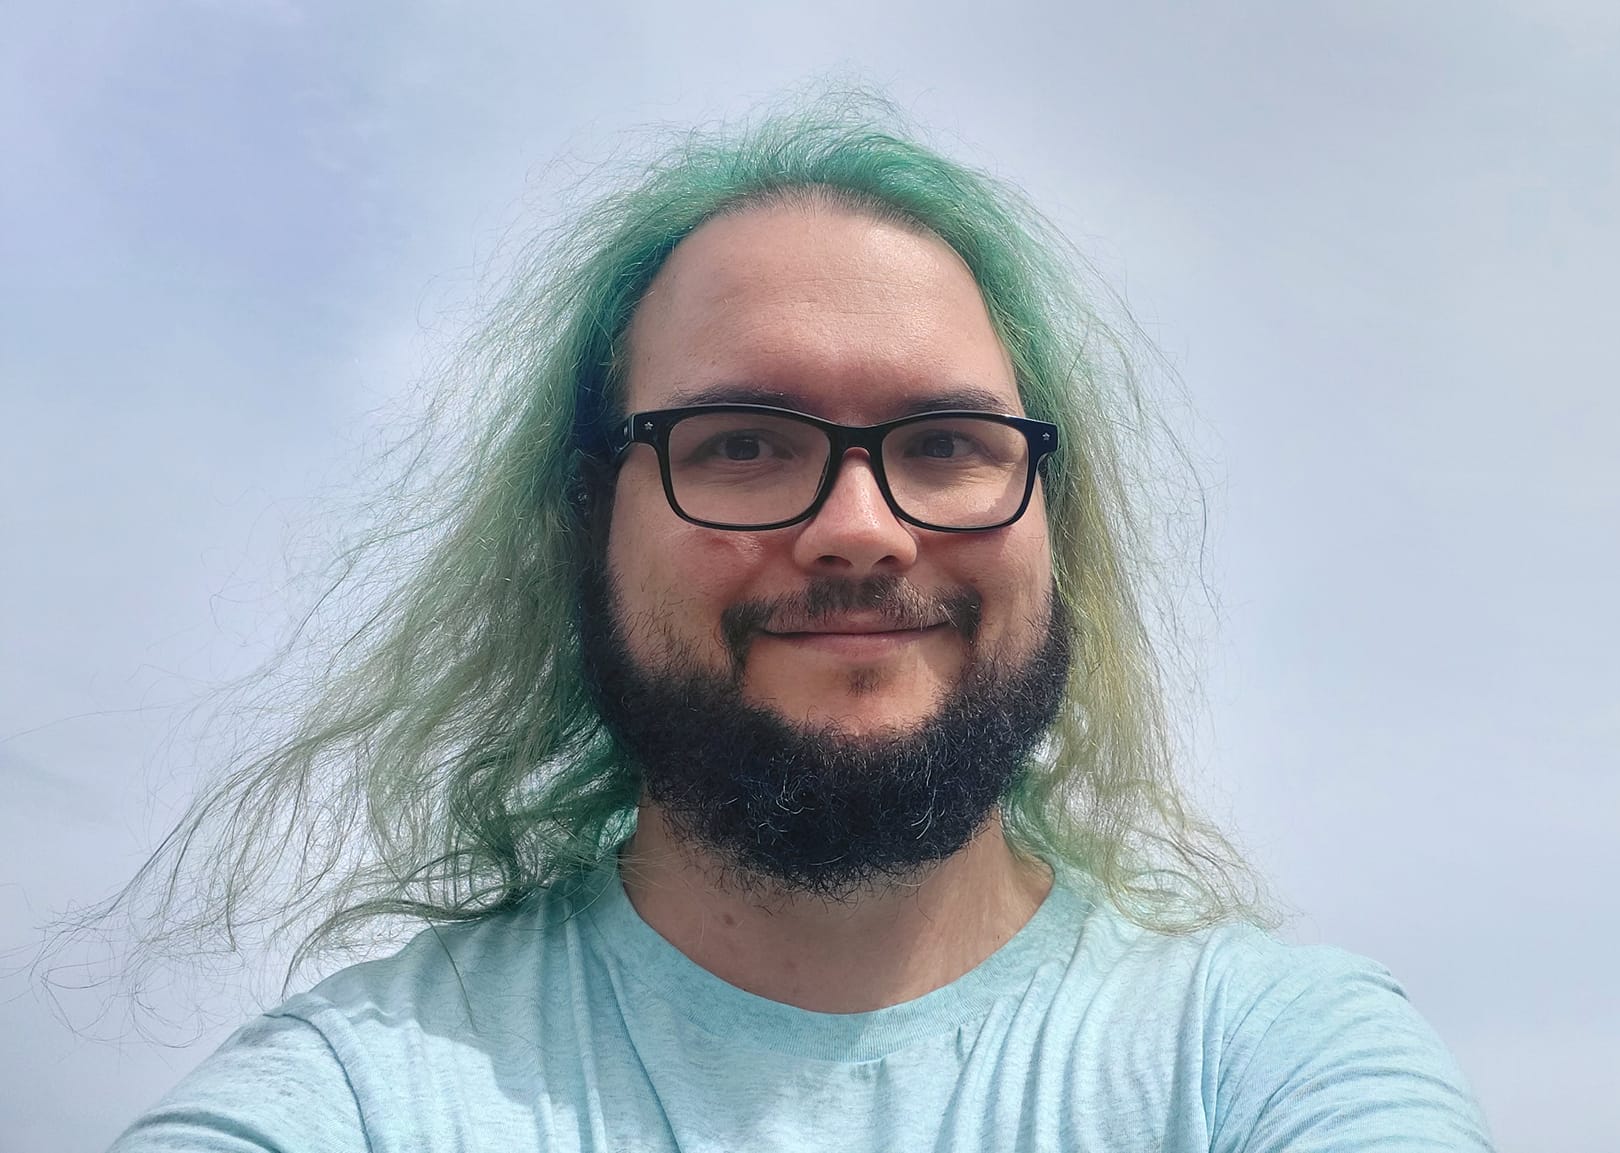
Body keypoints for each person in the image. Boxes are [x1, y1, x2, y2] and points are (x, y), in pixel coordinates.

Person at [107, 97, 1493, 1151]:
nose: (862, 527)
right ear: (591, 523)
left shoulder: (1263, 1066)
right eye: (743, 443)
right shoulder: (354, 1099)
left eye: (946, 441)